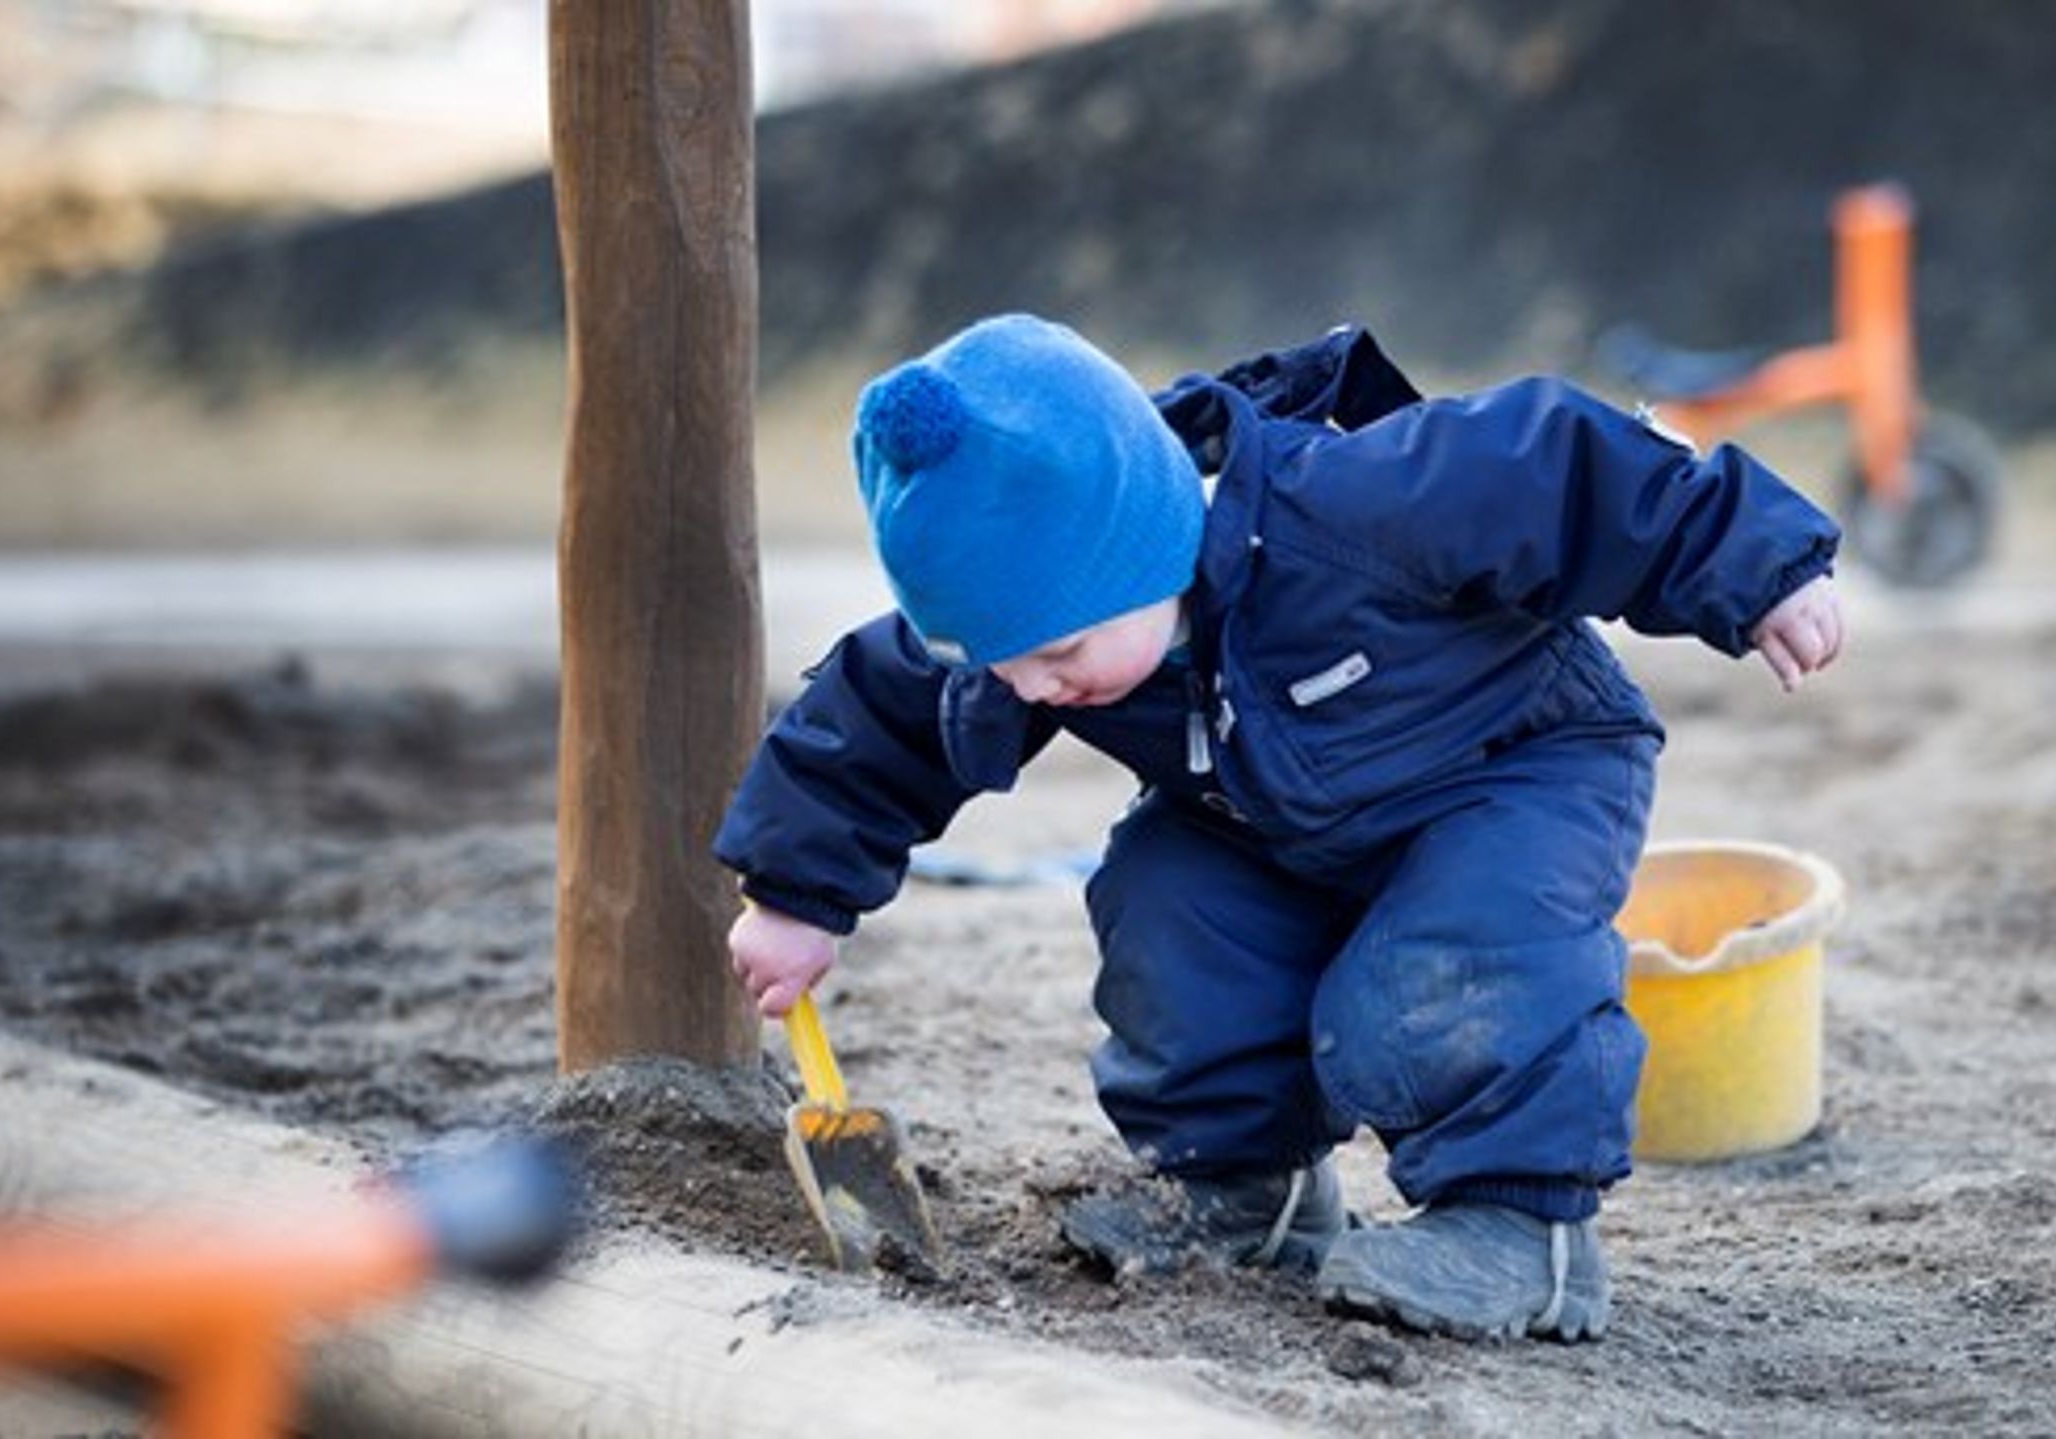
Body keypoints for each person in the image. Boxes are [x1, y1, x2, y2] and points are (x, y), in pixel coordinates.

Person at [715, 314, 1843, 1343]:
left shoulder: (1358, 506)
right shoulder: (1030, 624)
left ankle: (1521, 1230)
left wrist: (1757, 569)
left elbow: (1566, 469)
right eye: (1004, 664)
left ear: (1146, 544)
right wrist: (793, 893)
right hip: (1268, 816)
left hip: (1511, 771)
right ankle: (1248, 1193)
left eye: (1058, 655)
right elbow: (876, 715)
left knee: (1441, 970)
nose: (1037, 686)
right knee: (1168, 905)